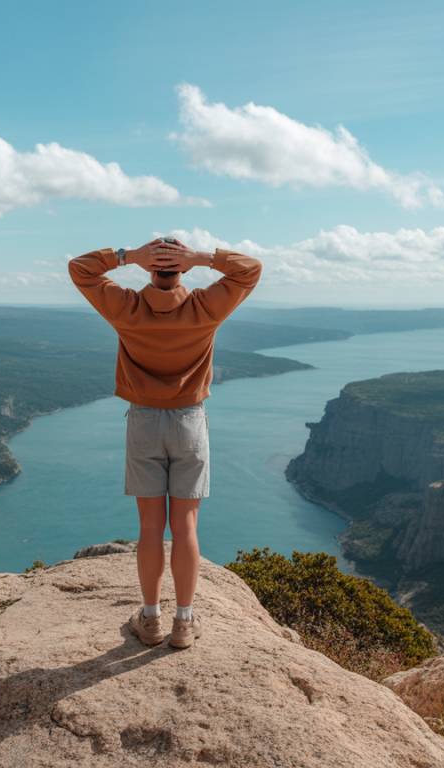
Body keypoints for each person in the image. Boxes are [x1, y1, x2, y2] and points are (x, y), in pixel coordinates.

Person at [67, 237, 263, 649]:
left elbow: (80, 268)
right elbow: (250, 270)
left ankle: (151, 619)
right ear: (183, 269)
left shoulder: (128, 309)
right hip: (190, 422)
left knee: (150, 528)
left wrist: (127, 256)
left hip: (142, 421)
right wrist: (203, 258)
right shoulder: (204, 309)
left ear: (148, 270)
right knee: (186, 526)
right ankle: (184, 623)